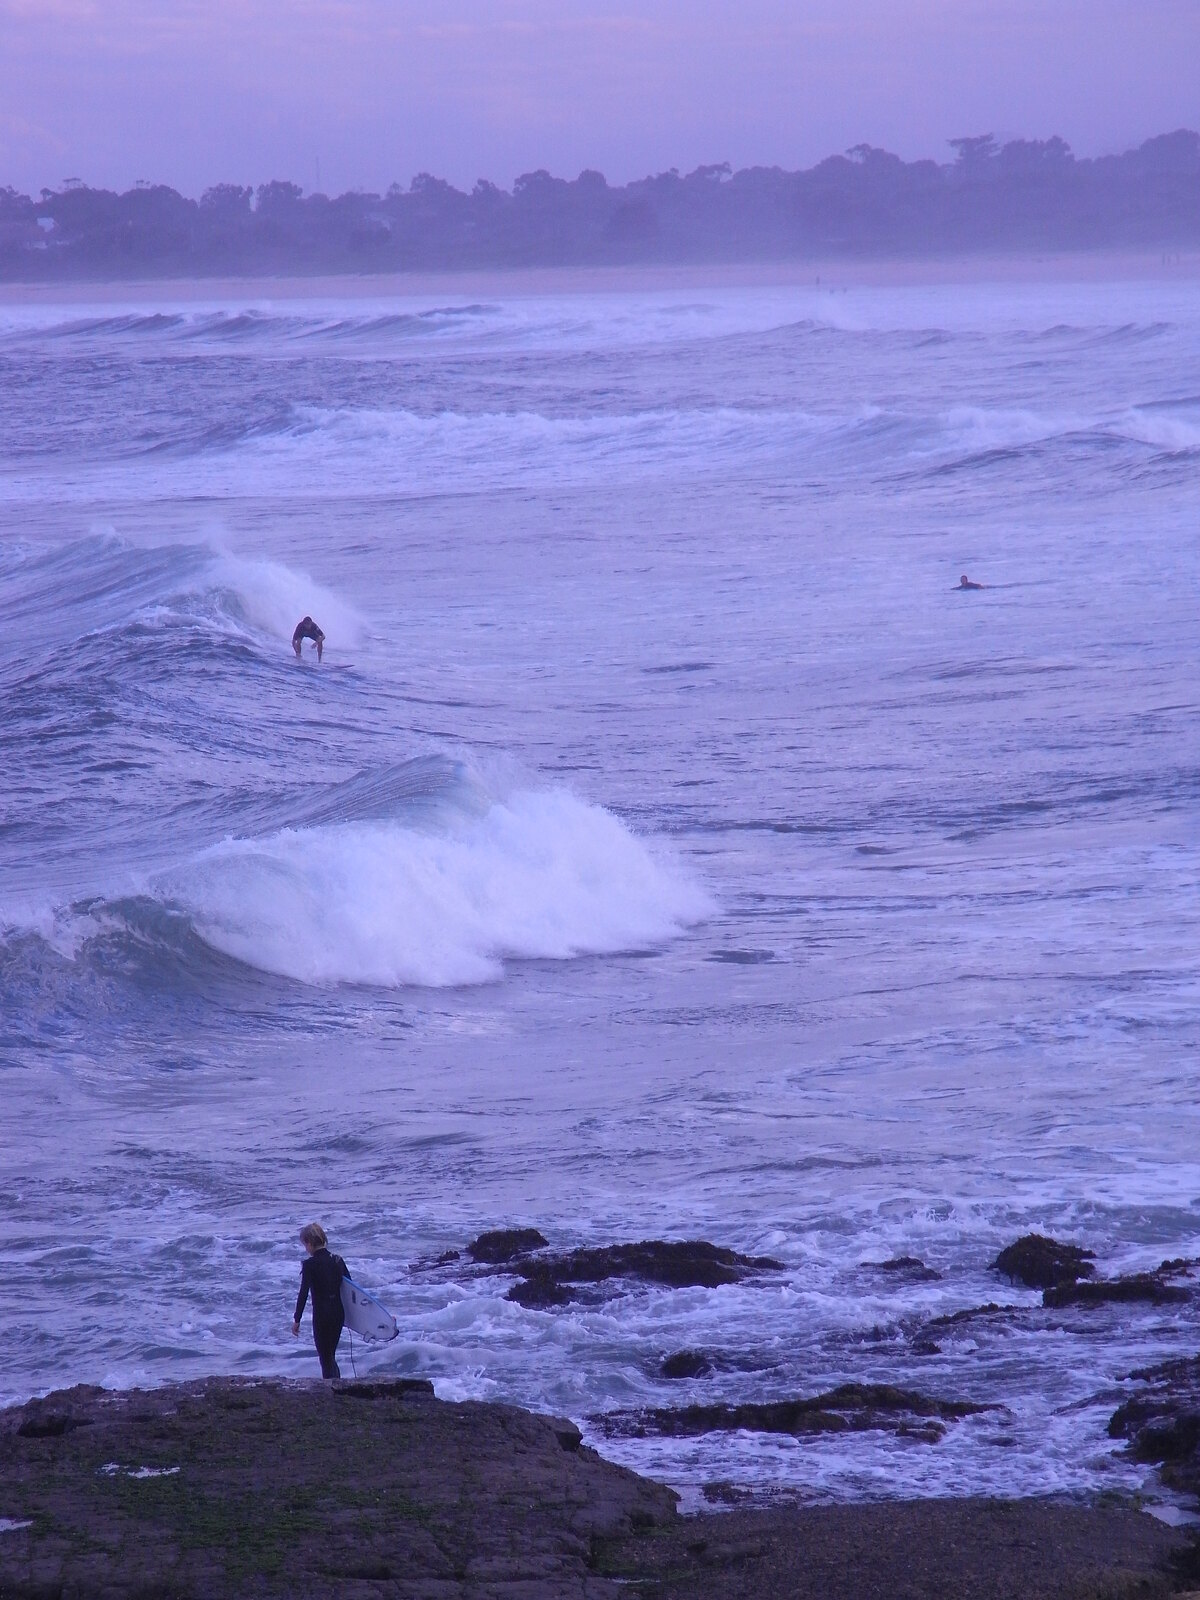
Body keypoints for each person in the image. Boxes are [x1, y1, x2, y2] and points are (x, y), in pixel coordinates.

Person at [291, 1222, 347, 1379]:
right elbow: (351, 1288)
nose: (305, 1249)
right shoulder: (337, 1260)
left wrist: (297, 1319)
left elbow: (303, 1293)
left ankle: (333, 1391)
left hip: (322, 1314)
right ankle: (337, 1387)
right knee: (331, 1355)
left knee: (325, 1357)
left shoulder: (310, 1265)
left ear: (309, 1243)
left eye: (305, 1245)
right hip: (338, 1312)